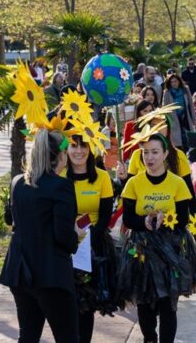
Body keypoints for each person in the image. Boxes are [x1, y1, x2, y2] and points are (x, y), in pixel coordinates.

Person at [117, 133, 196, 343]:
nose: (150, 157)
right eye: (145, 152)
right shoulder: (134, 183)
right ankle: (149, 338)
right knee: (144, 302)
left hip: (171, 250)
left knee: (167, 304)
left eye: (155, 152)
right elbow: (128, 218)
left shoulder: (177, 183)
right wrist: (144, 221)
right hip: (141, 248)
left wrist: (166, 219)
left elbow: (183, 218)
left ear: (165, 154)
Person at [0, 129, 79, 342]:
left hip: (20, 270)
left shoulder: (17, 182)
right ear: (61, 155)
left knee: (28, 335)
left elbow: (10, 218)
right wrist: (76, 237)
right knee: (68, 338)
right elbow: (63, 235)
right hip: (51, 273)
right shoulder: (61, 186)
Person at [64, 134, 118, 342]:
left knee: (86, 302)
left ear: (91, 148)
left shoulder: (102, 177)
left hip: (94, 244)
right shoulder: (60, 175)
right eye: (73, 146)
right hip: (65, 244)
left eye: (83, 146)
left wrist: (88, 240)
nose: (79, 151)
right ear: (66, 149)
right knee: (66, 301)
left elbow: (105, 215)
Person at [123, 116, 196, 216]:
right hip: (141, 217)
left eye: (161, 125)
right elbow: (129, 191)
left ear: (168, 129)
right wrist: (122, 178)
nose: (157, 128)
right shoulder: (137, 155)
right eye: (153, 125)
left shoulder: (179, 156)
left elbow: (189, 191)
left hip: (172, 220)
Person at [161, 73, 196, 150]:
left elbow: (191, 105)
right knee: (177, 143)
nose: (174, 83)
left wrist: (194, 119)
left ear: (179, 81)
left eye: (175, 81)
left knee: (188, 140)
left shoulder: (185, 89)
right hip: (174, 120)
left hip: (186, 118)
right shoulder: (167, 93)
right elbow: (164, 109)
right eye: (172, 82)